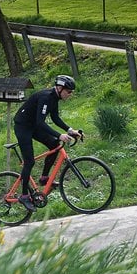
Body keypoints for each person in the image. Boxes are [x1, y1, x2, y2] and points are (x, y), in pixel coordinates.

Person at [12, 74, 83, 211]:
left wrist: (69, 130)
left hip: (33, 126)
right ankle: (24, 196)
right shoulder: (46, 97)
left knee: (55, 145)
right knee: (29, 162)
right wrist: (59, 135)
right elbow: (40, 122)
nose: (70, 94)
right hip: (23, 127)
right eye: (69, 92)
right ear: (60, 88)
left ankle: (44, 178)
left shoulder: (54, 98)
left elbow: (55, 118)